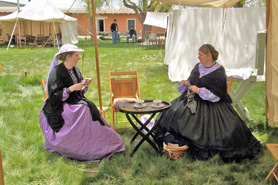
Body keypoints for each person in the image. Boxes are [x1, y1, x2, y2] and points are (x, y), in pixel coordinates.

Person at [155, 44, 262, 162]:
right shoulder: (197, 67)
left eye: (200, 55)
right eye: (198, 54)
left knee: (210, 128)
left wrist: (199, 90)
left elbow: (218, 93)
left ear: (209, 56)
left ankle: (191, 147)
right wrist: (186, 84)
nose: (198, 57)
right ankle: (176, 144)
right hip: (193, 99)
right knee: (174, 112)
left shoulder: (219, 71)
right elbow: (192, 82)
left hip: (213, 105)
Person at [39, 44, 125, 161]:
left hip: (76, 101)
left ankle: (107, 141)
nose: (79, 58)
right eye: (77, 55)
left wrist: (85, 84)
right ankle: (82, 146)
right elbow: (54, 96)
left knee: (88, 108)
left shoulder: (76, 69)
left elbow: (80, 90)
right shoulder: (57, 72)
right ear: (68, 57)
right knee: (84, 110)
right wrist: (71, 89)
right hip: (61, 106)